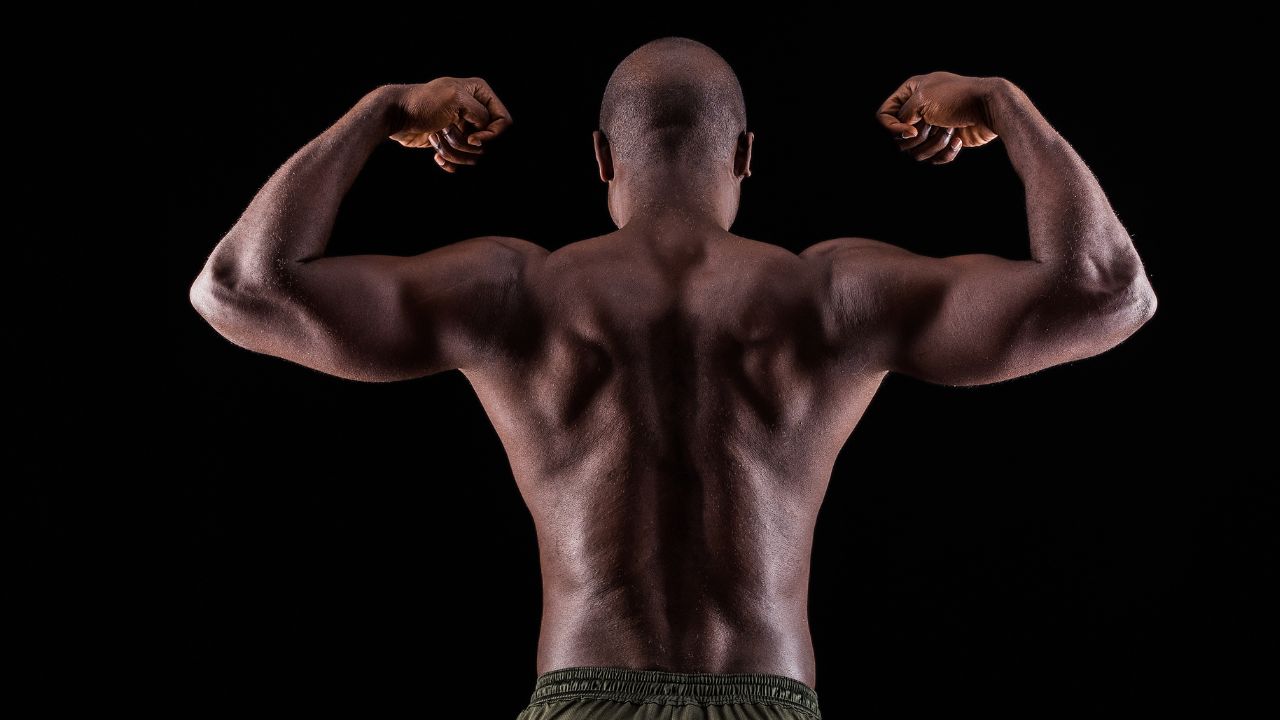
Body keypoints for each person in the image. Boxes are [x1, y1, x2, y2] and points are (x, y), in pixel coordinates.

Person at [190, 37, 1155, 720]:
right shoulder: (836, 297)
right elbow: (1107, 292)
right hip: (770, 697)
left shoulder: (513, 293)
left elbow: (240, 288)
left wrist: (384, 109)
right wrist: (1001, 101)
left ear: (602, 159)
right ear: (745, 157)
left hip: (584, 695)